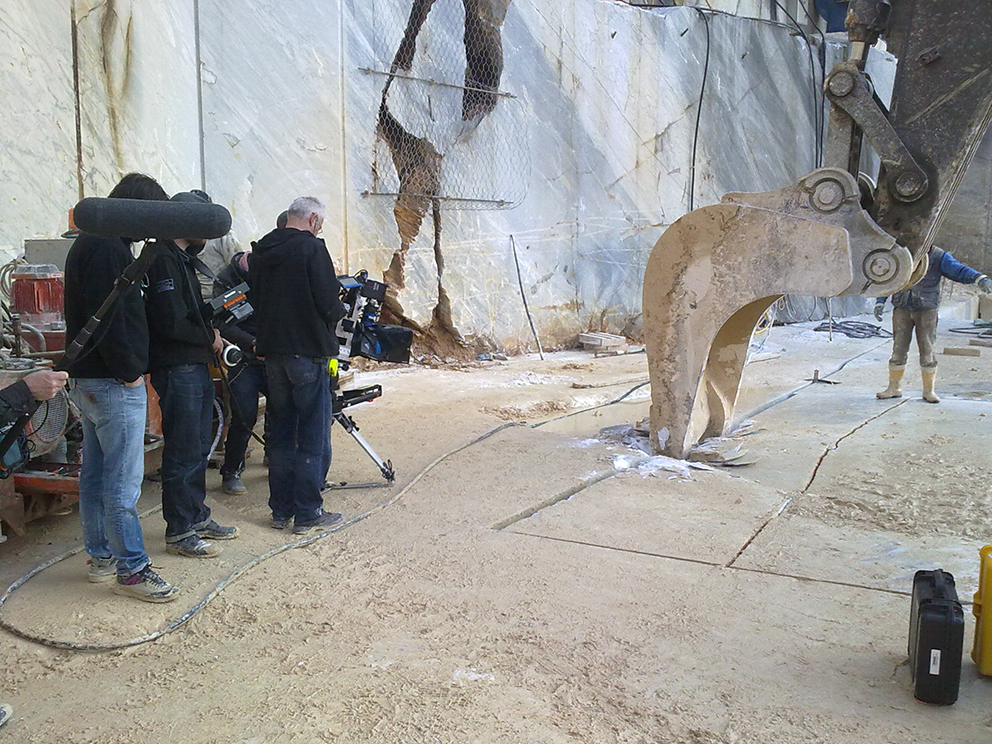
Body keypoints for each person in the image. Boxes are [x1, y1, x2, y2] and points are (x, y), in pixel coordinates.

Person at [63, 172, 179, 602]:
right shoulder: (109, 248)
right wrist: (130, 371)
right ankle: (131, 569)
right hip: (113, 381)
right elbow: (111, 318)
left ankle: (101, 558)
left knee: (95, 474)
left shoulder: (90, 241)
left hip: (90, 379)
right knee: (122, 481)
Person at [145, 190, 238, 557]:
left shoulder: (182, 259)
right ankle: (180, 530)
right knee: (183, 448)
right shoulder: (162, 260)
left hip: (194, 362)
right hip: (178, 365)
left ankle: (196, 516)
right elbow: (168, 322)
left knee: (198, 445)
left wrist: (216, 318)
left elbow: (188, 312)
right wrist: (209, 336)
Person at [250, 196, 347, 534]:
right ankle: (308, 512)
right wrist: (341, 311)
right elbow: (327, 301)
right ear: (313, 219)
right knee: (311, 434)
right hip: (307, 352)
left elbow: (255, 300)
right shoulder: (312, 249)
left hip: (273, 354)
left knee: (280, 433)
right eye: (321, 221)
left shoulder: (262, 250)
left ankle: (281, 510)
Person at [875, 245, 992, 403]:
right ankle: (894, 388)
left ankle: (928, 391)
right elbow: (888, 277)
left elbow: (958, 270)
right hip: (902, 308)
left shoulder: (937, 256)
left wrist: (978, 278)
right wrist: (880, 301)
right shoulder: (900, 253)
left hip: (926, 310)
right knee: (898, 349)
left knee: (927, 350)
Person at [214, 249, 267, 494]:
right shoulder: (226, 280)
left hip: (271, 355)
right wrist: (251, 344)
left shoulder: (271, 273)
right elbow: (219, 323)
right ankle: (232, 470)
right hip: (241, 358)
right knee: (244, 416)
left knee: (282, 410)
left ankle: (274, 457)